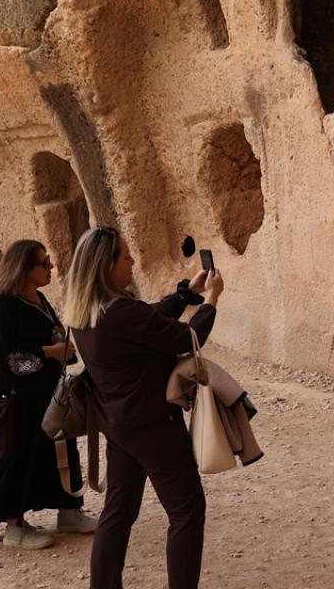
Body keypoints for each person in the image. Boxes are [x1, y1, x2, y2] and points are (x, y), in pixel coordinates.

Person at [64, 226, 223, 589]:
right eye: (125, 255)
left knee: (118, 512)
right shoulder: (121, 313)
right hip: (152, 424)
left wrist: (187, 293)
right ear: (106, 265)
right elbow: (188, 338)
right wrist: (212, 300)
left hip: (118, 423)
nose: (132, 261)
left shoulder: (86, 310)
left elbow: (149, 318)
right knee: (186, 511)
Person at [0, 239, 99, 549]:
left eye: (49, 262)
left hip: (46, 394)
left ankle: (69, 511)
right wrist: (49, 352)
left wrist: (64, 350)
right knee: (17, 458)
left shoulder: (40, 299)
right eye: (43, 264)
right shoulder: (5, 305)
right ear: (23, 268)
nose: (51, 268)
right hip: (15, 398)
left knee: (61, 449)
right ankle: (14, 527)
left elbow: (54, 336)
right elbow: (5, 358)